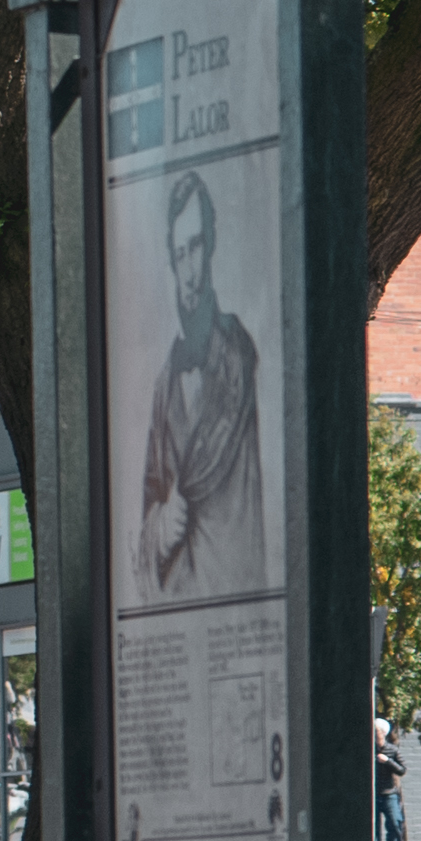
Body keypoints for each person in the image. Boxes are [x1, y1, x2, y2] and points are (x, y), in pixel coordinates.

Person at [134, 173, 270, 603]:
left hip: (233, 588)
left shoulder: (237, 351)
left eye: (195, 247)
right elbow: (148, 502)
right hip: (178, 598)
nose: (190, 269)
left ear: (209, 247)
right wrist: (162, 522)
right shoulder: (164, 383)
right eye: (180, 253)